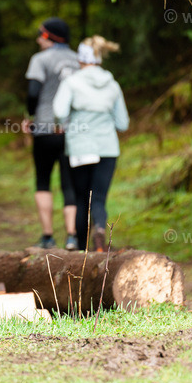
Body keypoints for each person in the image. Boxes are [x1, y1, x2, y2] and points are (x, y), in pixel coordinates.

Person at [52, 36, 129, 252]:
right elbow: (123, 123)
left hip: (80, 147)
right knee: (99, 198)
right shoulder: (112, 84)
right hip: (107, 148)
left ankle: (80, 249)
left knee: (81, 199)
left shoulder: (72, 82)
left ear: (80, 59)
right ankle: (100, 231)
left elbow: (59, 111)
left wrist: (62, 123)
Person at [25, 18, 80, 250]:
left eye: (41, 34)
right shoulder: (80, 60)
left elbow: (33, 92)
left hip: (45, 128)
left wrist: (30, 117)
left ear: (49, 37)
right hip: (73, 130)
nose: (38, 39)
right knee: (70, 184)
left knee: (43, 181)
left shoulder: (40, 60)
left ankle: (48, 236)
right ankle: (72, 236)